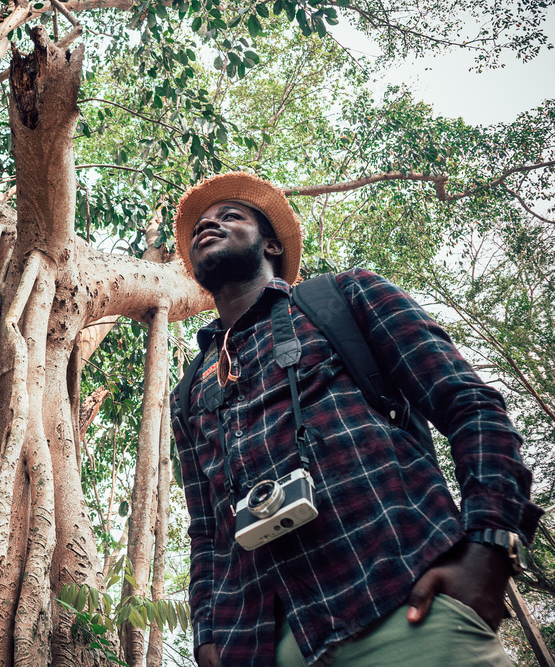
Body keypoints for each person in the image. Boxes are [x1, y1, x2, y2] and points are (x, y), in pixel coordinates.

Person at [169, 171, 542, 666]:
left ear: (272, 245)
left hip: (403, 602)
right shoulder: (190, 389)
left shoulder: (344, 296)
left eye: (230, 216)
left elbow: (469, 404)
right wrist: (206, 636)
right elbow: (206, 528)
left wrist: (491, 548)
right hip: (262, 644)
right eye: (200, 226)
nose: (207, 225)